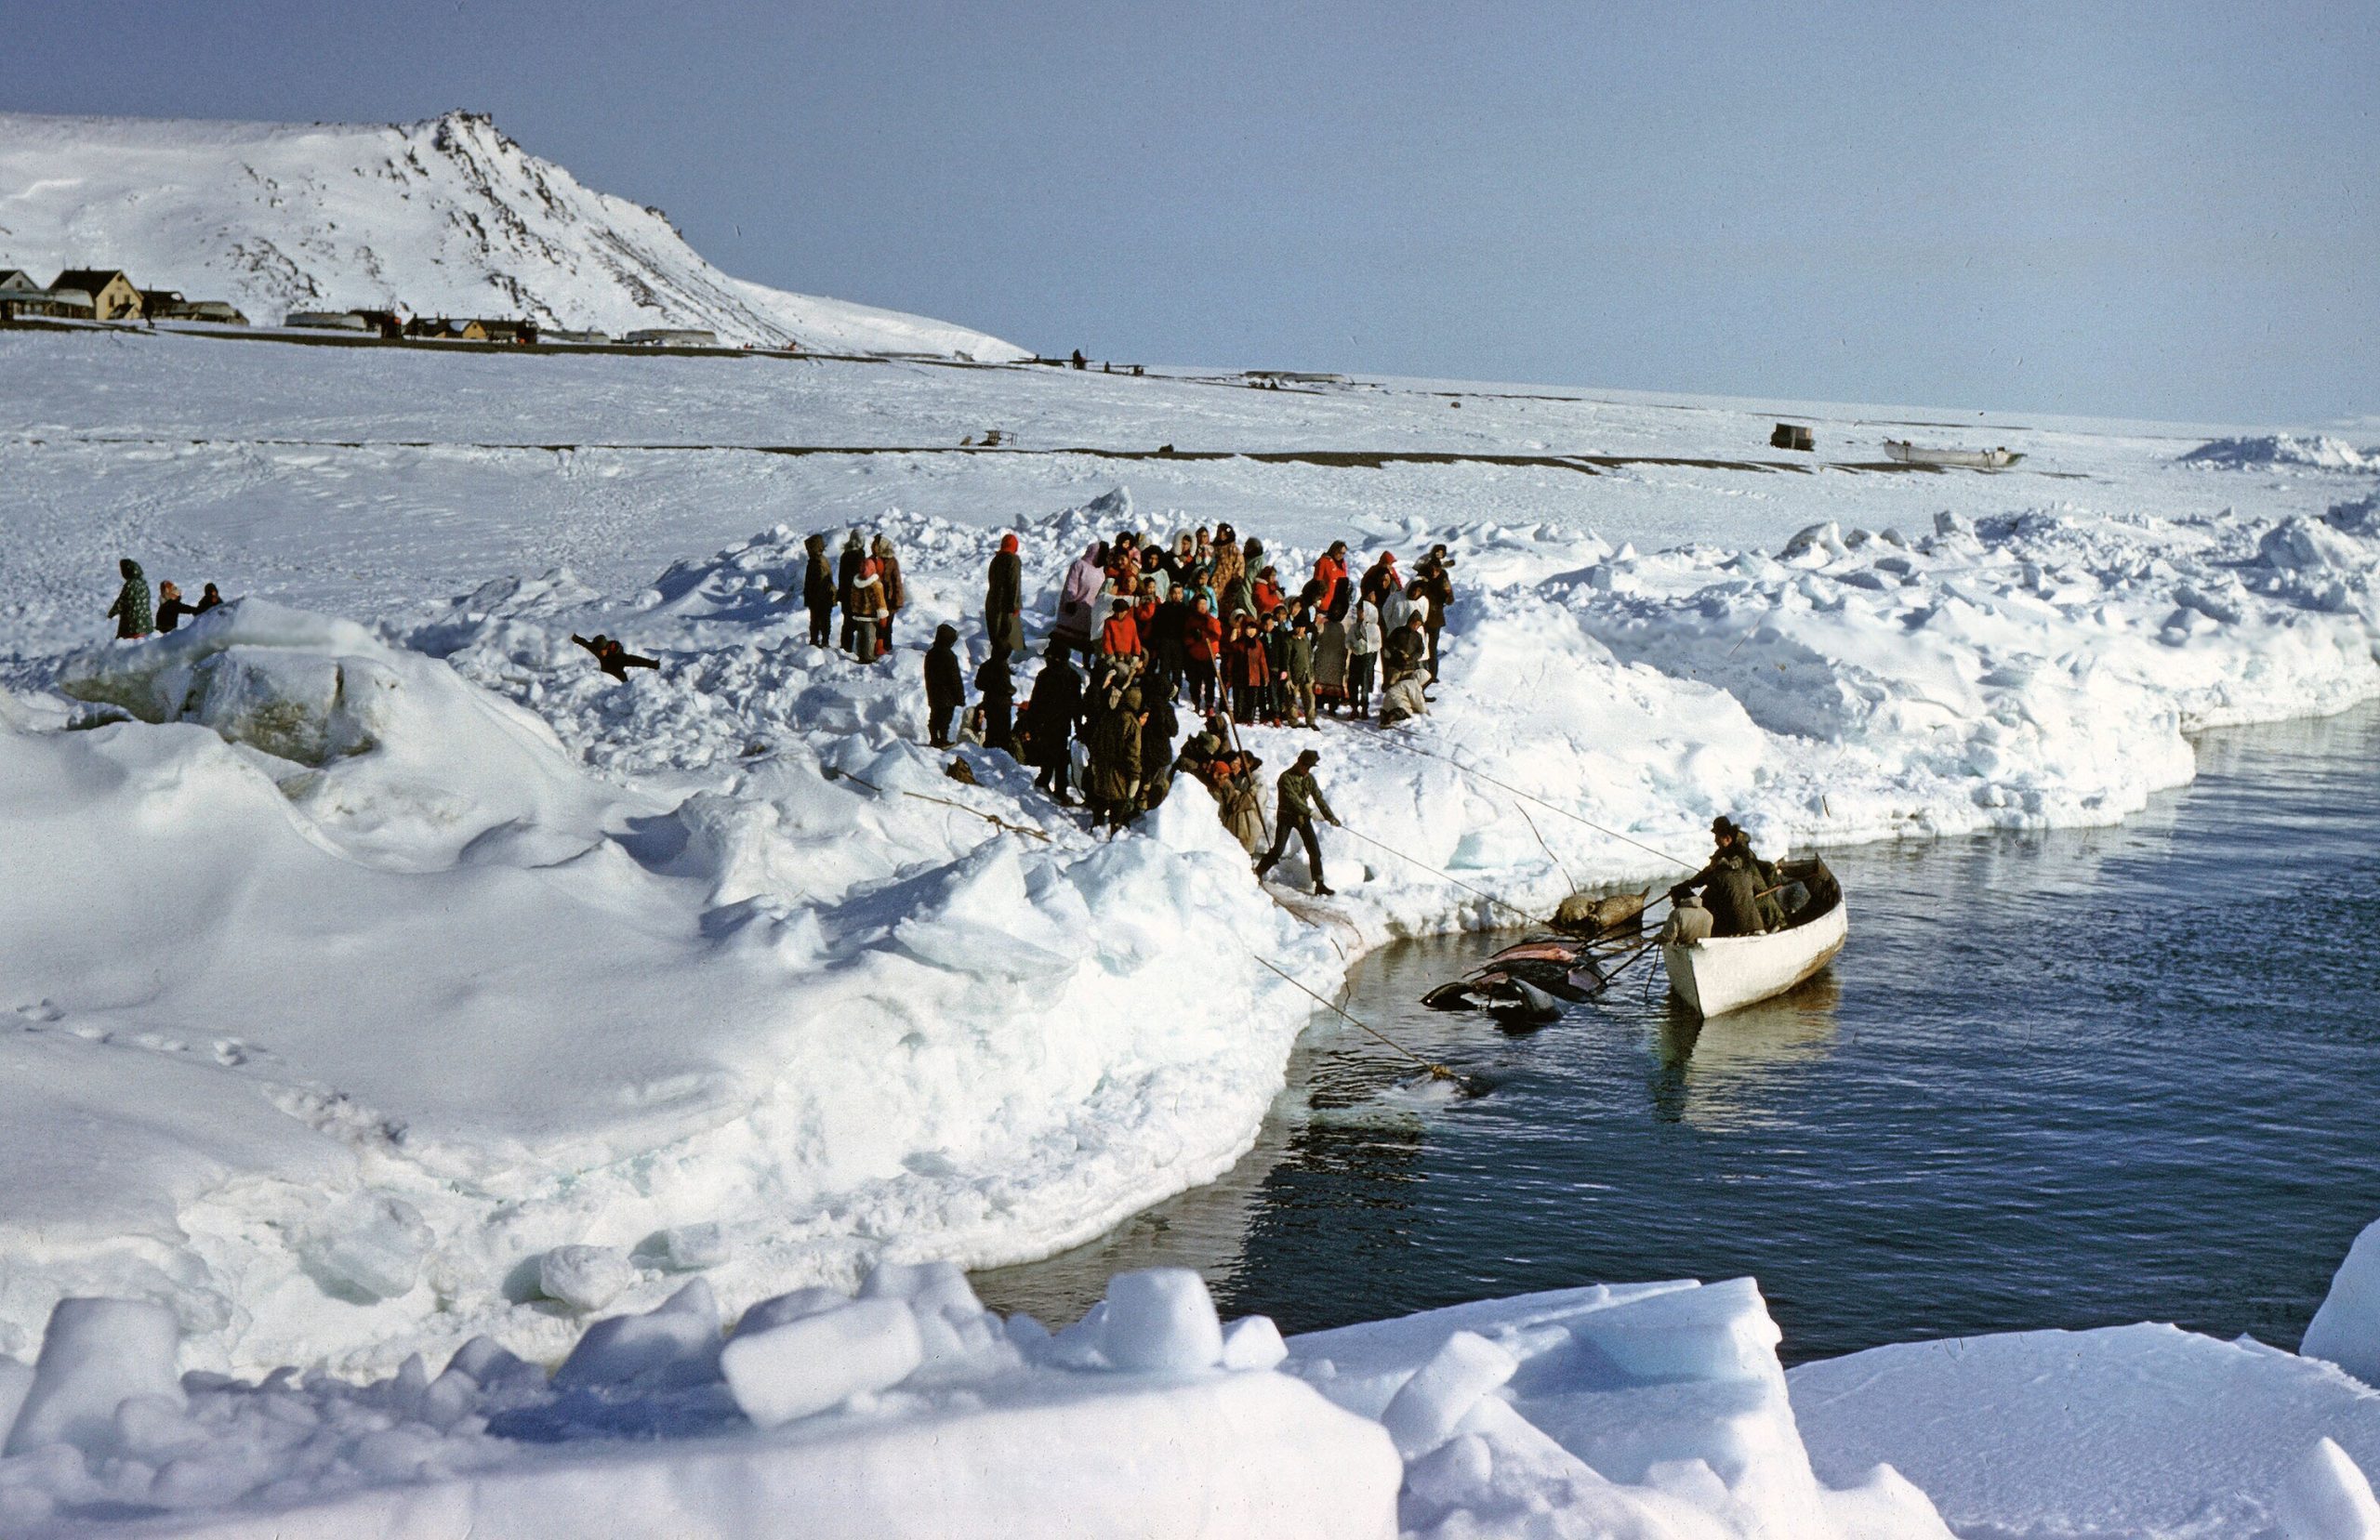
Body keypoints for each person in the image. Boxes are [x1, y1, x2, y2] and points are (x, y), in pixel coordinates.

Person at [1255, 748, 1339, 895]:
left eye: (1310, 767)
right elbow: (1293, 800)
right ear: (1299, 762)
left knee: (1315, 851)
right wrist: (1312, 812)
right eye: (1306, 766)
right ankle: (1257, 873)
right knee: (1278, 849)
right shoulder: (1285, 777)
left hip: (1302, 818)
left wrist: (1330, 816)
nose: (1307, 770)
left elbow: (1318, 798)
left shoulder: (1309, 779)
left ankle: (1319, 884)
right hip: (1286, 817)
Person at [1022, 642, 1084, 805]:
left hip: (1049, 725)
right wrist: (1078, 726)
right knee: (1057, 758)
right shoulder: (1072, 677)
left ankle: (1049, 785)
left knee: (1054, 757)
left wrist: (1031, 724)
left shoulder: (1048, 676)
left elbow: (1036, 703)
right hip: (1057, 725)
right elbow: (1076, 707)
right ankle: (1056, 789)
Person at [1085, 685, 1144, 832]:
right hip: (1120, 772)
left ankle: (1096, 826)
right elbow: (1133, 754)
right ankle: (1115, 833)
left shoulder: (1108, 715)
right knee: (1118, 804)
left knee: (1100, 800)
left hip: (1101, 767)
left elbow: (1095, 741)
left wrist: (1095, 761)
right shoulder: (1132, 723)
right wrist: (1135, 776)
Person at [1415, 546, 1454, 682]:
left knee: (1432, 646)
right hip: (1422, 615)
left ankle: (1432, 675)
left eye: (1436, 570)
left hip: (1436, 616)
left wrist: (1448, 594)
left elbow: (1450, 598)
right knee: (1420, 645)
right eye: (1432, 569)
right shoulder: (1422, 575)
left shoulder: (1443, 576)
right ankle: (1420, 673)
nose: (1434, 572)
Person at [1138, 682, 1180, 811]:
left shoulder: (1144, 703)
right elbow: (1174, 731)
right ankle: (1153, 810)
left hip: (1144, 748)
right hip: (1161, 751)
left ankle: (1139, 804)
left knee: (1143, 778)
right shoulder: (1167, 708)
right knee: (1158, 783)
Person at [924, 624, 966, 748]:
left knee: (935, 716)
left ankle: (934, 739)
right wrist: (960, 697)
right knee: (945, 719)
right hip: (948, 695)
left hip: (933, 692)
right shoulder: (949, 656)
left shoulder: (931, 653)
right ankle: (943, 739)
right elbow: (955, 678)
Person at [985, 533, 1025, 655]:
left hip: (992, 601)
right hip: (1006, 605)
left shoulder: (996, 559)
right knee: (1009, 637)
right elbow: (1014, 583)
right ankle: (1007, 665)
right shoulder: (1013, 560)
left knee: (997, 637)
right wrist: (1015, 605)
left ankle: (996, 664)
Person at [1183, 592, 1223, 714]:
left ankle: (1209, 705)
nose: (1203, 606)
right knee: (1195, 682)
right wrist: (1194, 637)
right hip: (1194, 656)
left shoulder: (1211, 619)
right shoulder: (1191, 620)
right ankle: (1196, 703)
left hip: (1208, 656)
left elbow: (1217, 634)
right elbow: (1186, 638)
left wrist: (1203, 633)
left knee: (1210, 682)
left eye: (1205, 604)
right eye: (1200, 604)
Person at [1226, 613, 1269, 725]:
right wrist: (1229, 676)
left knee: (1252, 700)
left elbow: (1262, 661)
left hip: (1254, 677)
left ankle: (1249, 718)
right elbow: (1231, 661)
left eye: (1253, 629)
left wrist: (1265, 676)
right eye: (1249, 628)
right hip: (1240, 676)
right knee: (1239, 699)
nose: (1251, 631)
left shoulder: (1259, 644)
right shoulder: (1237, 644)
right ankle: (1238, 718)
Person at [975, 644, 1016, 756]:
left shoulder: (985, 665)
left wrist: (990, 688)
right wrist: (1013, 690)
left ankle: (989, 751)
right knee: (1003, 731)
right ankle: (1002, 755)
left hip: (989, 701)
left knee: (991, 729)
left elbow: (978, 684)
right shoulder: (1002, 666)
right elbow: (1006, 687)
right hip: (1002, 704)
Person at [1348, 591, 1383, 717]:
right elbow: (1348, 641)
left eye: (1363, 611)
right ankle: (1354, 708)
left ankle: (1364, 708)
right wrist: (1354, 646)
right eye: (1359, 611)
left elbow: (1377, 644)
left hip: (1367, 659)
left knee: (1365, 684)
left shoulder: (1374, 628)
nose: (1360, 613)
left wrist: (1366, 646)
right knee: (1352, 683)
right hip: (1355, 657)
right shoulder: (1354, 627)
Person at [571, 633, 659, 680]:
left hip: (616, 675)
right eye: (598, 649)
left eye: (602, 650)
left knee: (624, 684)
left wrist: (653, 664)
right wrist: (573, 637)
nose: (600, 652)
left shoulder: (619, 657)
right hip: (603, 677)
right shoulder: (597, 649)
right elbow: (584, 642)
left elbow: (637, 660)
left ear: (607, 648)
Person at [872, 535, 906, 656]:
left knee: (887, 626)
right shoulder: (873, 560)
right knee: (877, 626)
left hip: (889, 600)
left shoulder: (892, 561)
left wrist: (898, 600)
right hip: (876, 599)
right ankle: (876, 648)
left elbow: (897, 581)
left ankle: (887, 647)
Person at [848, 558, 887, 661]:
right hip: (870, 617)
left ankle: (862, 655)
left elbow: (853, 599)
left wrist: (854, 610)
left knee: (861, 636)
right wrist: (883, 616)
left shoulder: (856, 583)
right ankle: (867, 657)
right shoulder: (875, 585)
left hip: (860, 615)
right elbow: (880, 602)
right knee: (868, 637)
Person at [1283, 611, 1317, 728]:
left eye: (1303, 627)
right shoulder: (1289, 640)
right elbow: (1286, 660)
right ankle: (1293, 721)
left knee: (1310, 698)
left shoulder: (1305, 639)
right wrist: (1288, 677)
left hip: (1306, 674)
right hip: (1293, 675)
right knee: (1291, 699)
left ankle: (1311, 720)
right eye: (1299, 627)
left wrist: (1311, 674)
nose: (1302, 630)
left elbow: (1309, 657)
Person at [802, 533, 837, 648]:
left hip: (819, 599)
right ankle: (823, 641)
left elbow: (817, 583)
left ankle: (818, 642)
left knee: (817, 621)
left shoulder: (816, 563)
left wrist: (812, 597)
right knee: (823, 621)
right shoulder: (821, 561)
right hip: (823, 598)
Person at [106, 558, 152, 639]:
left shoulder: (131, 584)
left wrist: (111, 614)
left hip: (131, 626)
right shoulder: (144, 583)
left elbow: (122, 601)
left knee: (128, 648)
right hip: (146, 625)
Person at [836, 532, 866, 652]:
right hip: (856, 594)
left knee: (848, 623)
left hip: (846, 594)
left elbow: (843, 577)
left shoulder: (845, 554)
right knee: (859, 623)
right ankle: (859, 649)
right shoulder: (858, 556)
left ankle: (845, 647)